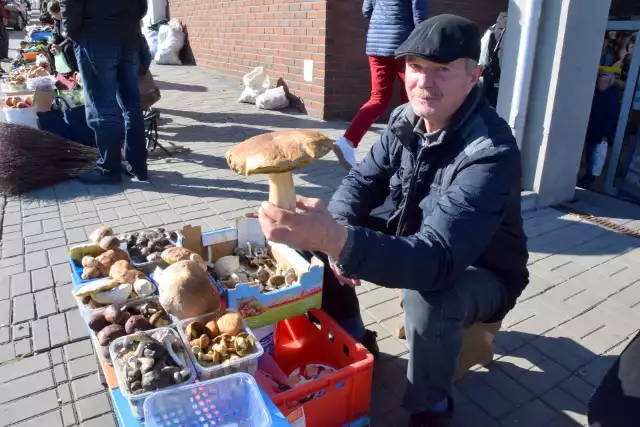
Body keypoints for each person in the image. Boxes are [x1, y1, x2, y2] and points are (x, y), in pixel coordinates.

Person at [257, 14, 529, 427]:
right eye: (416, 67)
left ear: (474, 76)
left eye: (442, 70)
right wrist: (336, 230)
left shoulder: (490, 152)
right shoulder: (404, 118)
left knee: (431, 297)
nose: (424, 81)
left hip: (483, 269)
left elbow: (437, 261)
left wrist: (341, 241)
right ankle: (354, 338)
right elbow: (361, 181)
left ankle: (431, 406)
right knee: (308, 240)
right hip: (417, 236)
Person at [333, 0, 429, 169]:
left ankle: (347, 141)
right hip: (402, 44)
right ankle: (410, 150)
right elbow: (420, 16)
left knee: (378, 98)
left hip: (376, 44)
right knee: (412, 98)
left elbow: (366, 11)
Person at [61, 0, 149, 184]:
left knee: (102, 107)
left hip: (96, 39)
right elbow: (142, 7)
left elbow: (71, 7)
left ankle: (109, 169)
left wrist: (75, 35)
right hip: (128, 38)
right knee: (132, 106)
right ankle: (138, 167)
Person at [579, 71, 620, 188]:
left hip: (599, 131)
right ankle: (587, 176)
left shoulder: (611, 97)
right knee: (588, 153)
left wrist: (605, 133)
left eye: (605, 82)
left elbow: (611, 117)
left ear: (609, 83)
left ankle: (589, 178)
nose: (601, 84)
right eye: (600, 81)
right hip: (591, 129)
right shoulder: (596, 94)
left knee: (594, 154)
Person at [46, 1, 78, 73]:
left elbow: (72, 35)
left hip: (72, 40)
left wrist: (61, 45)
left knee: (67, 48)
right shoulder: (57, 20)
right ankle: (56, 71)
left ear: (58, 11)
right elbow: (55, 33)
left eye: (53, 14)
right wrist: (53, 43)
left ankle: (74, 71)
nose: (52, 16)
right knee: (49, 47)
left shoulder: (70, 18)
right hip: (63, 39)